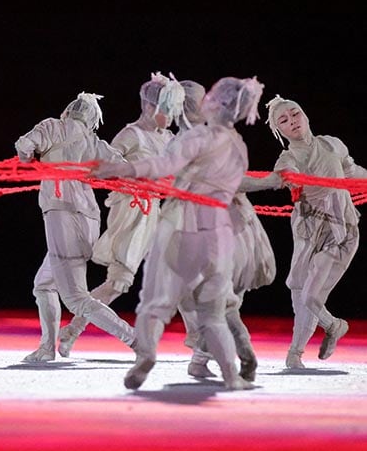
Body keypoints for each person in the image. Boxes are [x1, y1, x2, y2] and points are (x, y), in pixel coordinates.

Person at [92, 76, 265, 391]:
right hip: (220, 228)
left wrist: (121, 169)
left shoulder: (195, 138)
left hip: (184, 222)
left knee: (156, 301)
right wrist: (271, 182)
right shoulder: (237, 144)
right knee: (213, 310)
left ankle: (145, 356)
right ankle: (231, 374)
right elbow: (236, 184)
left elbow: (162, 166)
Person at [56, 73, 180, 357]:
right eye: (169, 108)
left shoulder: (170, 137)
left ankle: (200, 342)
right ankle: (73, 330)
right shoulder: (131, 134)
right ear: (151, 107)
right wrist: (133, 178)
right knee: (118, 282)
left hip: (160, 210)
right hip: (133, 209)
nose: (174, 115)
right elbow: (101, 165)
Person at [239, 95, 363, 369]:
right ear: (279, 131)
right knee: (298, 292)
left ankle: (330, 327)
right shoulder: (288, 158)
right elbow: (277, 178)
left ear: (305, 115)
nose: (292, 121)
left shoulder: (333, 144)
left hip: (340, 229)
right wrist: (232, 184)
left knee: (310, 293)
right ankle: (299, 351)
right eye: (284, 120)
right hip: (308, 229)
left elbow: (353, 172)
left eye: (295, 114)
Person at [14, 92, 135, 362]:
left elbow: (23, 145)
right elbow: (124, 167)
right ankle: (47, 348)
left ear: (68, 110)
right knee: (43, 284)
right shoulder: (94, 141)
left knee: (76, 298)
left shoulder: (53, 127)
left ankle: (136, 340)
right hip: (90, 219)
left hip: (61, 215)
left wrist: (30, 159)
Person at [176, 80, 273, 382]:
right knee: (222, 296)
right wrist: (269, 182)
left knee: (230, 296)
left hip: (235, 219)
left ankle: (202, 359)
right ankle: (244, 356)